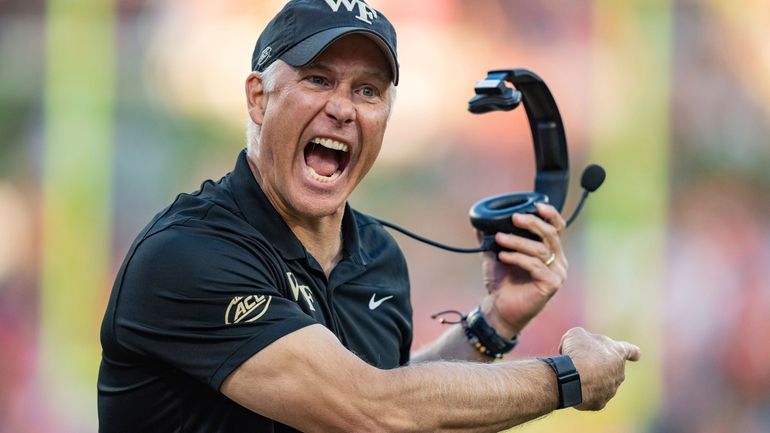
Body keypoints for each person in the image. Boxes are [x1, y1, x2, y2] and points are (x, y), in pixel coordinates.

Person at [97, 0, 640, 432]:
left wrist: (492, 326)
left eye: (367, 90)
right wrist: (566, 379)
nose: (343, 107)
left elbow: (399, 399)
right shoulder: (188, 255)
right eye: (318, 79)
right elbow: (365, 411)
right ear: (259, 99)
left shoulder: (378, 255)